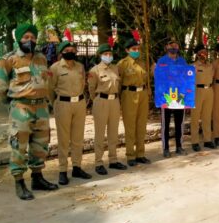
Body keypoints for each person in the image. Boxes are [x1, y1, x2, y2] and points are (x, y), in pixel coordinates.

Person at [0, 23, 59, 200]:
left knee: (41, 145)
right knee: (19, 146)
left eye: (32, 37)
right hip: (21, 108)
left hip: (41, 108)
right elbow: (0, 87)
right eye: (26, 37)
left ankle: (37, 178)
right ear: (19, 39)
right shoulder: (9, 59)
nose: (29, 40)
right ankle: (19, 182)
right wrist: (12, 106)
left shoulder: (41, 58)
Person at [49, 41, 92, 185]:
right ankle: (62, 170)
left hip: (79, 104)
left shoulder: (80, 67)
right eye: (67, 49)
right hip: (63, 104)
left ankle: (77, 167)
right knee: (63, 139)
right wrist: (55, 103)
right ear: (61, 52)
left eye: (72, 49)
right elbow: (50, 88)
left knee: (78, 138)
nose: (70, 51)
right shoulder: (55, 68)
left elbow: (83, 84)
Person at [88, 44, 128, 175]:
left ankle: (113, 160)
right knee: (100, 133)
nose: (108, 56)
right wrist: (98, 101)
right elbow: (91, 90)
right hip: (101, 101)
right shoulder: (95, 70)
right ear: (100, 55)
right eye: (105, 54)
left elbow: (119, 85)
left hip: (115, 101)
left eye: (110, 54)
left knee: (113, 132)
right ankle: (98, 162)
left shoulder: (115, 69)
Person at [118, 38, 151, 166]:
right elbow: (118, 82)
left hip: (142, 94)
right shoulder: (122, 64)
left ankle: (140, 154)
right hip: (129, 94)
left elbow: (147, 78)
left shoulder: (142, 63)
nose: (136, 51)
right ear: (127, 50)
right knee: (130, 126)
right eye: (133, 49)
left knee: (142, 125)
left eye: (137, 49)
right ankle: (130, 155)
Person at [155, 38, 188, 158]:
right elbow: (158, 79)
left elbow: (187, 78)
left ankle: (179, 146)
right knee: (166, 123)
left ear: (178, 48)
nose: (173, 47)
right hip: (166, 95)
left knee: (179, 122)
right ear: (167, 47)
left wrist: (185, 94)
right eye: (171, 45)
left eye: (176, 45)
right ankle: (166, 148)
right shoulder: (161, 61)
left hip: (179, 96)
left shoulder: (182, 61)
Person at [190, 44, 216, 151]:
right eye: (201, 52)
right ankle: (195, 142)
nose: (204, 53)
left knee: (207, 116)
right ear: (197, 54)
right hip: (197, 91)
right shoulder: (193, 66)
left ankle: (207, 140)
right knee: (195, 117)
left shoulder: (210, 66)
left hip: (209, 91)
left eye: (205, 51)